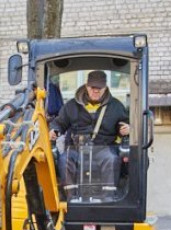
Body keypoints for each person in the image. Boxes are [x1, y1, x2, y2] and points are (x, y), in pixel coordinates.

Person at [49, 70, 129, 200]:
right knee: (65, 160)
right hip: (76, 148)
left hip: (104, 148)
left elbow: (124, 123)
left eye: (100, 88)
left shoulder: (116, 106)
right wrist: (54, 130)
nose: (96, 91)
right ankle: (71, 199)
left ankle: (108, 199)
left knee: (112, 159)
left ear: (105, 88)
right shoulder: (71, 106)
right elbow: (59, 123)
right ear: (87, 86)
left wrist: (126, 128)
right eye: (93, 88)